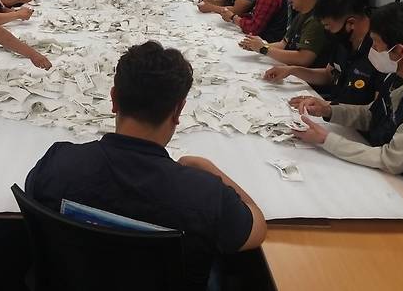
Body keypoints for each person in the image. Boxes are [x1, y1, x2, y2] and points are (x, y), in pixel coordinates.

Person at [26, 41, 267, 287]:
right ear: (178, 110)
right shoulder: (205, 195)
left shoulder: (58, 163)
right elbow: (258, 227)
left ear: (113, 99)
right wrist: (208, 168)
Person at [293, 2, 403, 214]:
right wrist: (328, 110)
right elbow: (374, 114)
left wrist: (326, 139)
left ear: (400, 51)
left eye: (375, 43)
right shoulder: (398, 73)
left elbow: (392, 159)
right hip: (380, 167)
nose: (371, 49)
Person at [264, 0, 382, 105]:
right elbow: (328, 75)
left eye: (328, 26)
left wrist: (326, 107)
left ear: (351, 23)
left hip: (346, 114)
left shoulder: (379, 51)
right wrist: (291, 70)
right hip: (333, 106)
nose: (326, 30)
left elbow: (372, 111)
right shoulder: (344, 41)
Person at [240, 0, 328, 67]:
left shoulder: (317, 19)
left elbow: (303, 58)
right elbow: (283, 44)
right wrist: (256, 46)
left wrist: (264, 49)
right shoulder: (301, 14)